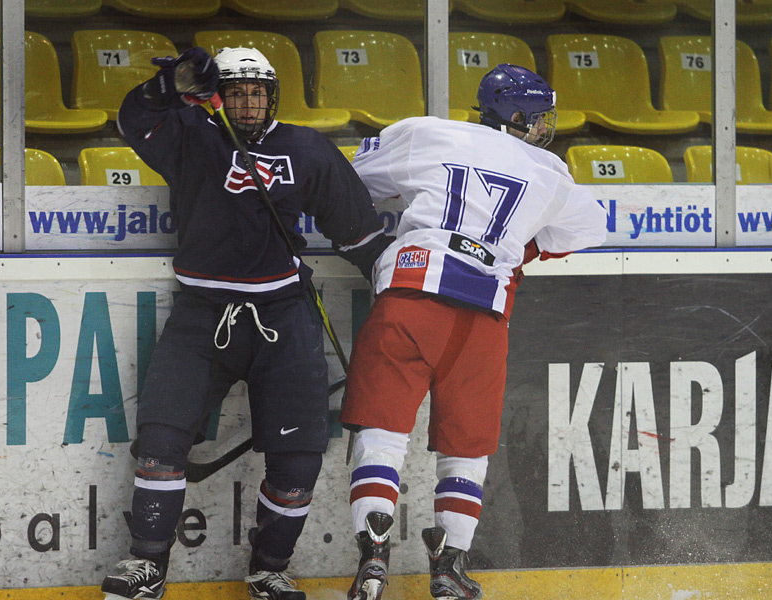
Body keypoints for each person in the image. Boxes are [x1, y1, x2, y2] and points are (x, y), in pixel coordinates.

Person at [100, 46, 390, 600]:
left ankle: (269, 567)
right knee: (161, 440)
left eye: (258, 93)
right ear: (220, 97)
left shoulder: (307, 148)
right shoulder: (192, 135)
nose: (250, 103)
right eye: (238, 92)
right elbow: (136, 119)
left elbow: (360, 235)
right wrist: (168, 88)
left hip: (282, 315)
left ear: (272, 96)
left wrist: (400, 282)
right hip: (202, 313)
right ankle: (147, 565)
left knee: (299, 453)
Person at [340, 64, 608, 600]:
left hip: (413, 293)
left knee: (382, 431)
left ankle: (372, 555)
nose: (544, 126)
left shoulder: (428, 131)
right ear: (517, 116)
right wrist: (519, 249)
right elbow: (589, 228)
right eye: (539, 116)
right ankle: (449, 566)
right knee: (466, 447)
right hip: (485, 313)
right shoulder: (550, 169)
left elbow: (353, 182)